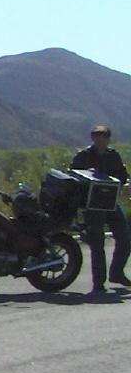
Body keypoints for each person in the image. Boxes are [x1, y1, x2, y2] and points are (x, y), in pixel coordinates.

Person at [70, 124, 129, 292]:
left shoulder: (113, 156)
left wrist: (126, 185)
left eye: (102, 136)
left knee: (124, 238)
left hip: (111, 203)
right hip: (92, 206)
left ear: (108, 139)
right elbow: (72, 178)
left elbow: (123, 177)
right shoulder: (83, 156)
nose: (98, 139)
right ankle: (98, 283)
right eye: (95, 136)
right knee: (97, 243)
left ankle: (117, 273)